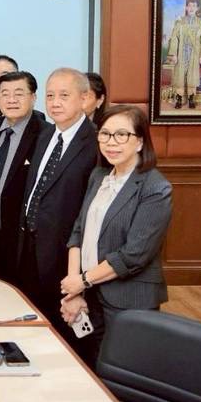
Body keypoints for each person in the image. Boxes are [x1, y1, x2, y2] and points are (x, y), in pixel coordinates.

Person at [61, 104, 173, 364]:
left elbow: (133, 255)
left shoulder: (156, 188)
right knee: (89, 366)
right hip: (90, 292)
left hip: (128, 299)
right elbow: (78, 231)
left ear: (140, 142)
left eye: (122, 135)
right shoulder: (99, 176)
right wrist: (74, 289)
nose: (111, 142)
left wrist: (82, 281)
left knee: (123, 372)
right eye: (105, 134)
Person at [16, 67, 99, 337]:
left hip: (66, 254)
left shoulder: (96, 143)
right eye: (50, 95)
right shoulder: (45, 135)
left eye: (64, 95)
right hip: (30, 246)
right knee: (34, 323)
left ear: (84, 99)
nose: (55, 102)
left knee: (65, 331)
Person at [0, 71, 44, 280]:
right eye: (5, 94)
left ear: (33, 97)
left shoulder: (45, 134)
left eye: (19, 93)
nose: (11, 100)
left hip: (21, 240)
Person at [164, 0, 201, 110]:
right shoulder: (180, 21)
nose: (191, 8)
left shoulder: (200, 23)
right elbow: (174, 38)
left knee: (192, 76)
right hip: (181, 53)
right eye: (189, 6)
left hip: (194, 54)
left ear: (197, 8)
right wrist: (174, 54)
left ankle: (191, 99)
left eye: (194, 6)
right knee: (180, 76)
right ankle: (179, 99)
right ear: (186, 7)